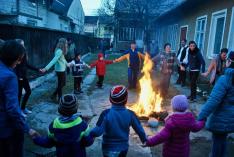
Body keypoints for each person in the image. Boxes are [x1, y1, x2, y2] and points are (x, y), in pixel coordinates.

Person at [0, 40, 38, 157]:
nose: (20, 62)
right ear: (13, 57)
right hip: (6, 128)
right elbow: (12, 109)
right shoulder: (9, 76)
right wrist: (27, 128)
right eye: (19, 59)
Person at [90, 85, 147, 157]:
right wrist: (144, 140)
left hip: (107, 148)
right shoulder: (130, 114)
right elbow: (139, 129)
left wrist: (89, 135)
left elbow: (97, 131)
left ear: (110, 99)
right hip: (123, 148)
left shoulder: (105, 114)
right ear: (126, 100)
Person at [198, 51, 234, 157]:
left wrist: (201, 116)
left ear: (229, 61)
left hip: (221, 118)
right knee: (223, 139)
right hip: (231, 118)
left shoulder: (225, 79)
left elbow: (213, 101)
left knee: (218, 141)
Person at [15, 39, 40, 117]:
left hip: (24, 76)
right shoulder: (16, 54)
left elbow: (27, 64)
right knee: (18, 95)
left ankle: (23, 108)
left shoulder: (24, 53)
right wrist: (19, 76)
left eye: (24, 44)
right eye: (22, 45)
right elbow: (16, 66)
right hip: (19, 77)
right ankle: (18, 111)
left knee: (28, 91)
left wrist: (37, 69)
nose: (24, 46)